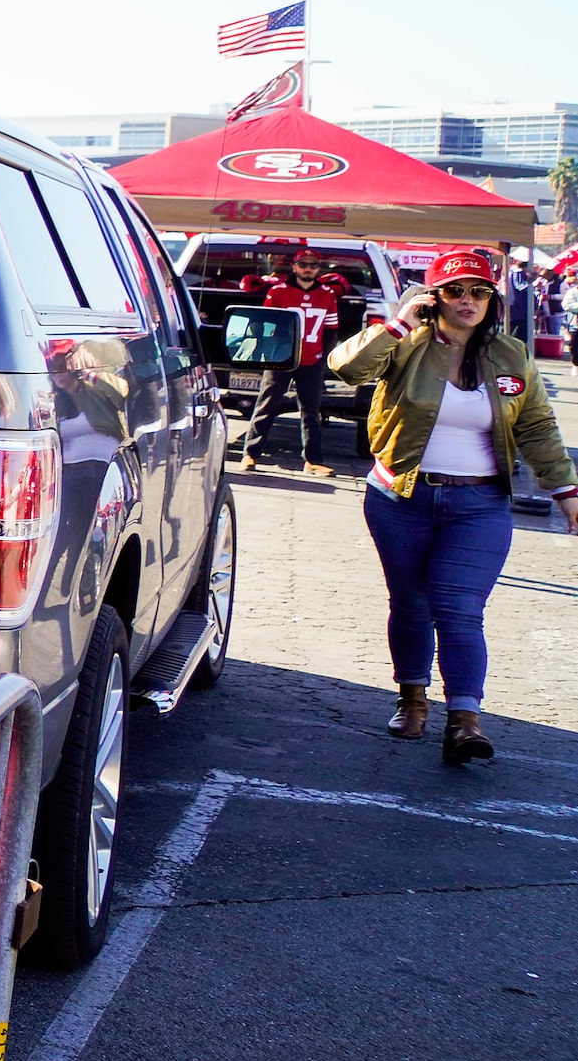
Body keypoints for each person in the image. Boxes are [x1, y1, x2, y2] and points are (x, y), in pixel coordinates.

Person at [330, 249, 578, 762]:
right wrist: (399, 324)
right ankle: (412, 699)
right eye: (455, 291)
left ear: (494, 299)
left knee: (460, 608)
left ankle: (465, 720)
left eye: (479, 291)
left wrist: (566, 491)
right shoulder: (405, 345)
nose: (468, 301)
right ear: (433, 297)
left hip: (480, 502)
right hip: (401, 495)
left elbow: (536, 429)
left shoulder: (511, 355)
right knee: (411, 602)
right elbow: (348, 369)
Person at [238, 245, 346, 475]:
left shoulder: (327, 295)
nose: (308, 269)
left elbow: (331, 330)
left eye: (313, 265)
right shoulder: (278, 291)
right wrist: (268, 352)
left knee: (311, 411)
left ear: (319, 269)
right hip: (280, 359)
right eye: (303, 265)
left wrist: (321, 356)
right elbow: (263, 324)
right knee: (267, 405)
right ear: (295, 267)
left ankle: (313, 460)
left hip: (311, 361)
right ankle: (250, 454)